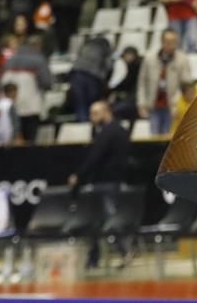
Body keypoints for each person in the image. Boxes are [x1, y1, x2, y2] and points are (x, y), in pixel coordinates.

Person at [68, 100, 131, 269]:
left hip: (105, 182)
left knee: (107, 219)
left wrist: (79, 176)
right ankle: (94, 257)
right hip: (113, 181)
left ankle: (123, 251)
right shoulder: (121, 130)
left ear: (106, 112)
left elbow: (94, 158)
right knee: (99, 220)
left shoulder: (108, 132)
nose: (91, 117)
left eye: (95, 113)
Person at [0, 32, 54, 142]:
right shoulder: (39, 59)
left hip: (12, 107)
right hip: (32, 107)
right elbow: (47, 83)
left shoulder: (9, 61)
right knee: (31, 142)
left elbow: (2, 84)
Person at [137, 29, 192, 136]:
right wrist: (141, 104)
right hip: (153, 105)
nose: (172, 45)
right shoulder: (149, 58)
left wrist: (179, 105)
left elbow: (186, 85)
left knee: (170, 140)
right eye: (168, 42)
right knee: (154, 140)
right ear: (162, 42)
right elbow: (142, 83)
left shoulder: (182, 59)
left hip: (172, 106)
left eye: (174, 42)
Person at [68, 36, 113, 123]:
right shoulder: (105, 48)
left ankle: (83, 125)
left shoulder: (85, 47)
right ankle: (92, 126)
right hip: (92, 77)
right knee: (92, 103)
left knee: (80, 103)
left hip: (76, 75)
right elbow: (109, 65)